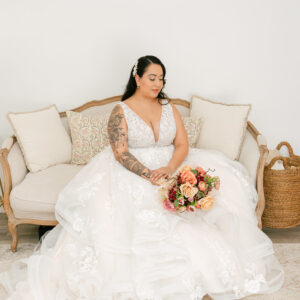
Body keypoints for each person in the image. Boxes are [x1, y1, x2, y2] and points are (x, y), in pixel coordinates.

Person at [0, 55, 284, 300]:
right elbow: (121, 152)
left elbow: (182, 144)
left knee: (206, 208)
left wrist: (171, 170)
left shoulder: (169, 107)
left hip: (170, 166)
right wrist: (149, 175)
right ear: (137, 78)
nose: (158, 83)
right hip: (133, 169)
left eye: (161, 78)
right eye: (151, 77)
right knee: (137, 216)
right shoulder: (120, 111)